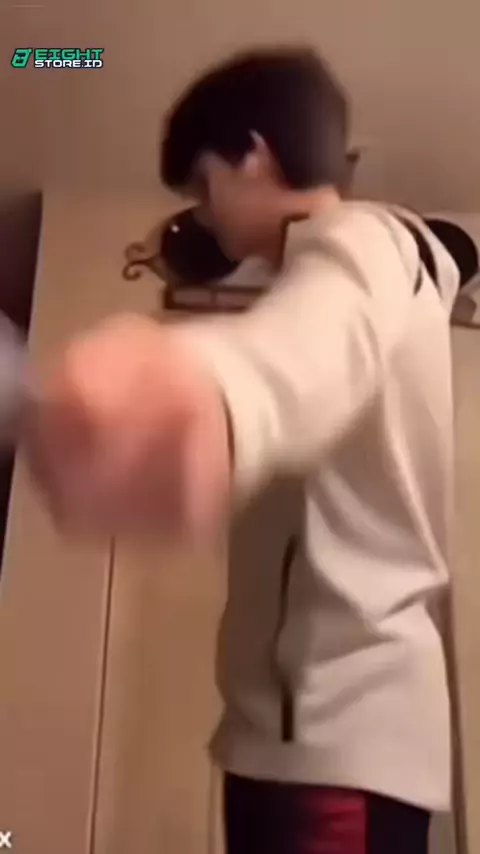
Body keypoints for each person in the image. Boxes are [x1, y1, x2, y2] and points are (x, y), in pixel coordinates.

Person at [26, 47, 460, 853]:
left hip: (334, 747)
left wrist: (186, 387)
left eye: (203, 183)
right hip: (291, 744)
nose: (204, 212)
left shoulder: (362, 242)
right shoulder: (343, 269)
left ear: (254, 154)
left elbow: (299, 350)